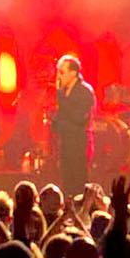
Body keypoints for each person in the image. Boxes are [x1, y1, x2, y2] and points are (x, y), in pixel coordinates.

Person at [50, 54, 96, 191]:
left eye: (62, 72)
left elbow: (78, 118)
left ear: (73, 73)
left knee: (78, 184)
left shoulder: (84, 91)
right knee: (66, 183)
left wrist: (61, 99)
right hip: (66, 145)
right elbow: (61, 117)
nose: (59, 76)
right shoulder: (64, 92)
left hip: (79, 146)